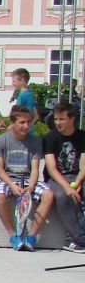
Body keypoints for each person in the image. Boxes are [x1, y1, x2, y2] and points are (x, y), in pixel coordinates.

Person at [0, 105, 47, 250]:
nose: (26, 126)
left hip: (28, 179)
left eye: (28, 122)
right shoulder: (0, 140)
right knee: (0, 197)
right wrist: (12, 185)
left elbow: (35, 169)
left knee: (49, 195)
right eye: (22, 122)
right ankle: (13, 236)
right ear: (12, 123)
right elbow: (0, 170)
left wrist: (31, 187)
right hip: (7, 178)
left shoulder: (35, 141)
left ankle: (31, 237)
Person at [38, 102, 85, 252]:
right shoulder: (50, 138)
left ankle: (70, 240)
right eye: (56, 119)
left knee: (79, 195)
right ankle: (81, 238)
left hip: (76, 176)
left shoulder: (82, 136)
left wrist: (78, 182)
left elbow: (84, 165)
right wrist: (68, 188)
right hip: (56, 178)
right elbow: (51, 169)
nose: (58, 123)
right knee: (62, 195)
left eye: (62, 119)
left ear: (72, 119)